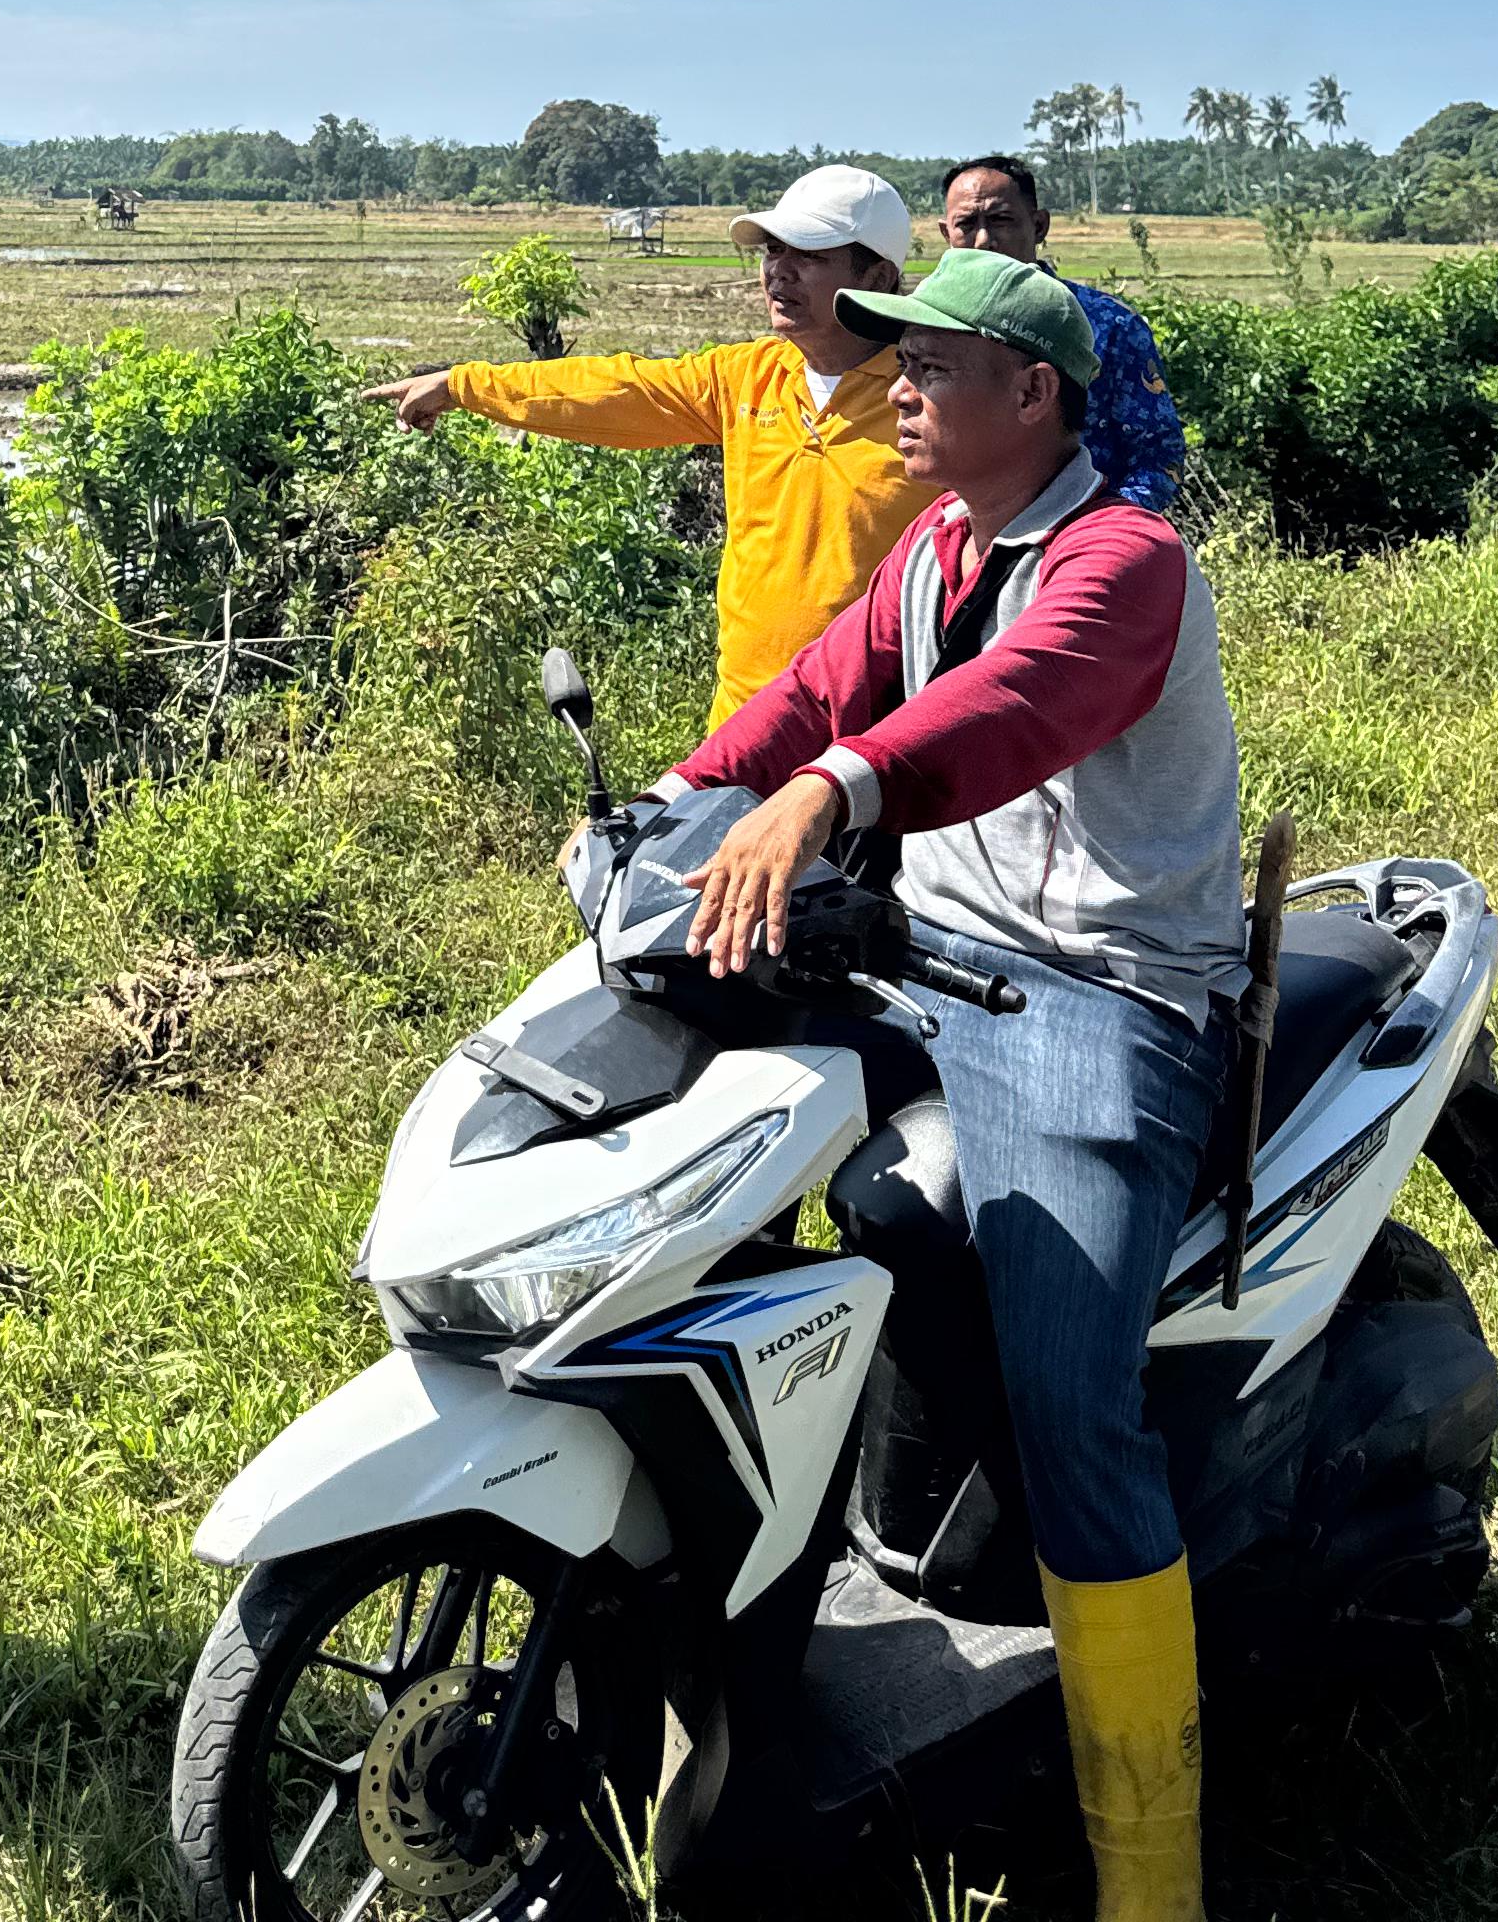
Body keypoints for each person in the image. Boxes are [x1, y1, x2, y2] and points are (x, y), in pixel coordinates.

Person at [673, 249, 1241, 1922]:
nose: (896, 379)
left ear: (1030, 393)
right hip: (920, 948)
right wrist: (681, 792)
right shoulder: (932, 544)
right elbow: (818, 690)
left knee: (1075, 1405)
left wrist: (833, 790)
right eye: (893, 352)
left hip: (1097, 988)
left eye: (933, 358)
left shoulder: (1122, 559)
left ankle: (1150, 1873)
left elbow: (1008, 709)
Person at [369, 164, 939, 728]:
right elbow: (617, 388)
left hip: (877, 732)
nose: (778, 273)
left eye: (809, 255)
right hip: (746, 721)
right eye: (771, 251)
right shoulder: (749, 377)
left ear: (879, 276)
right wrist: (463, 385)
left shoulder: (933, 400)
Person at [935, 154, 1184, 513]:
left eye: (1001, 220)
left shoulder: (1109, 325)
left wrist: (1102, 528)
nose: (984, 240)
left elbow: (1160, 457)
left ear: (1038, 226)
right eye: (967, 224)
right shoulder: (934, 330)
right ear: (947, 234)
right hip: (970, 544)